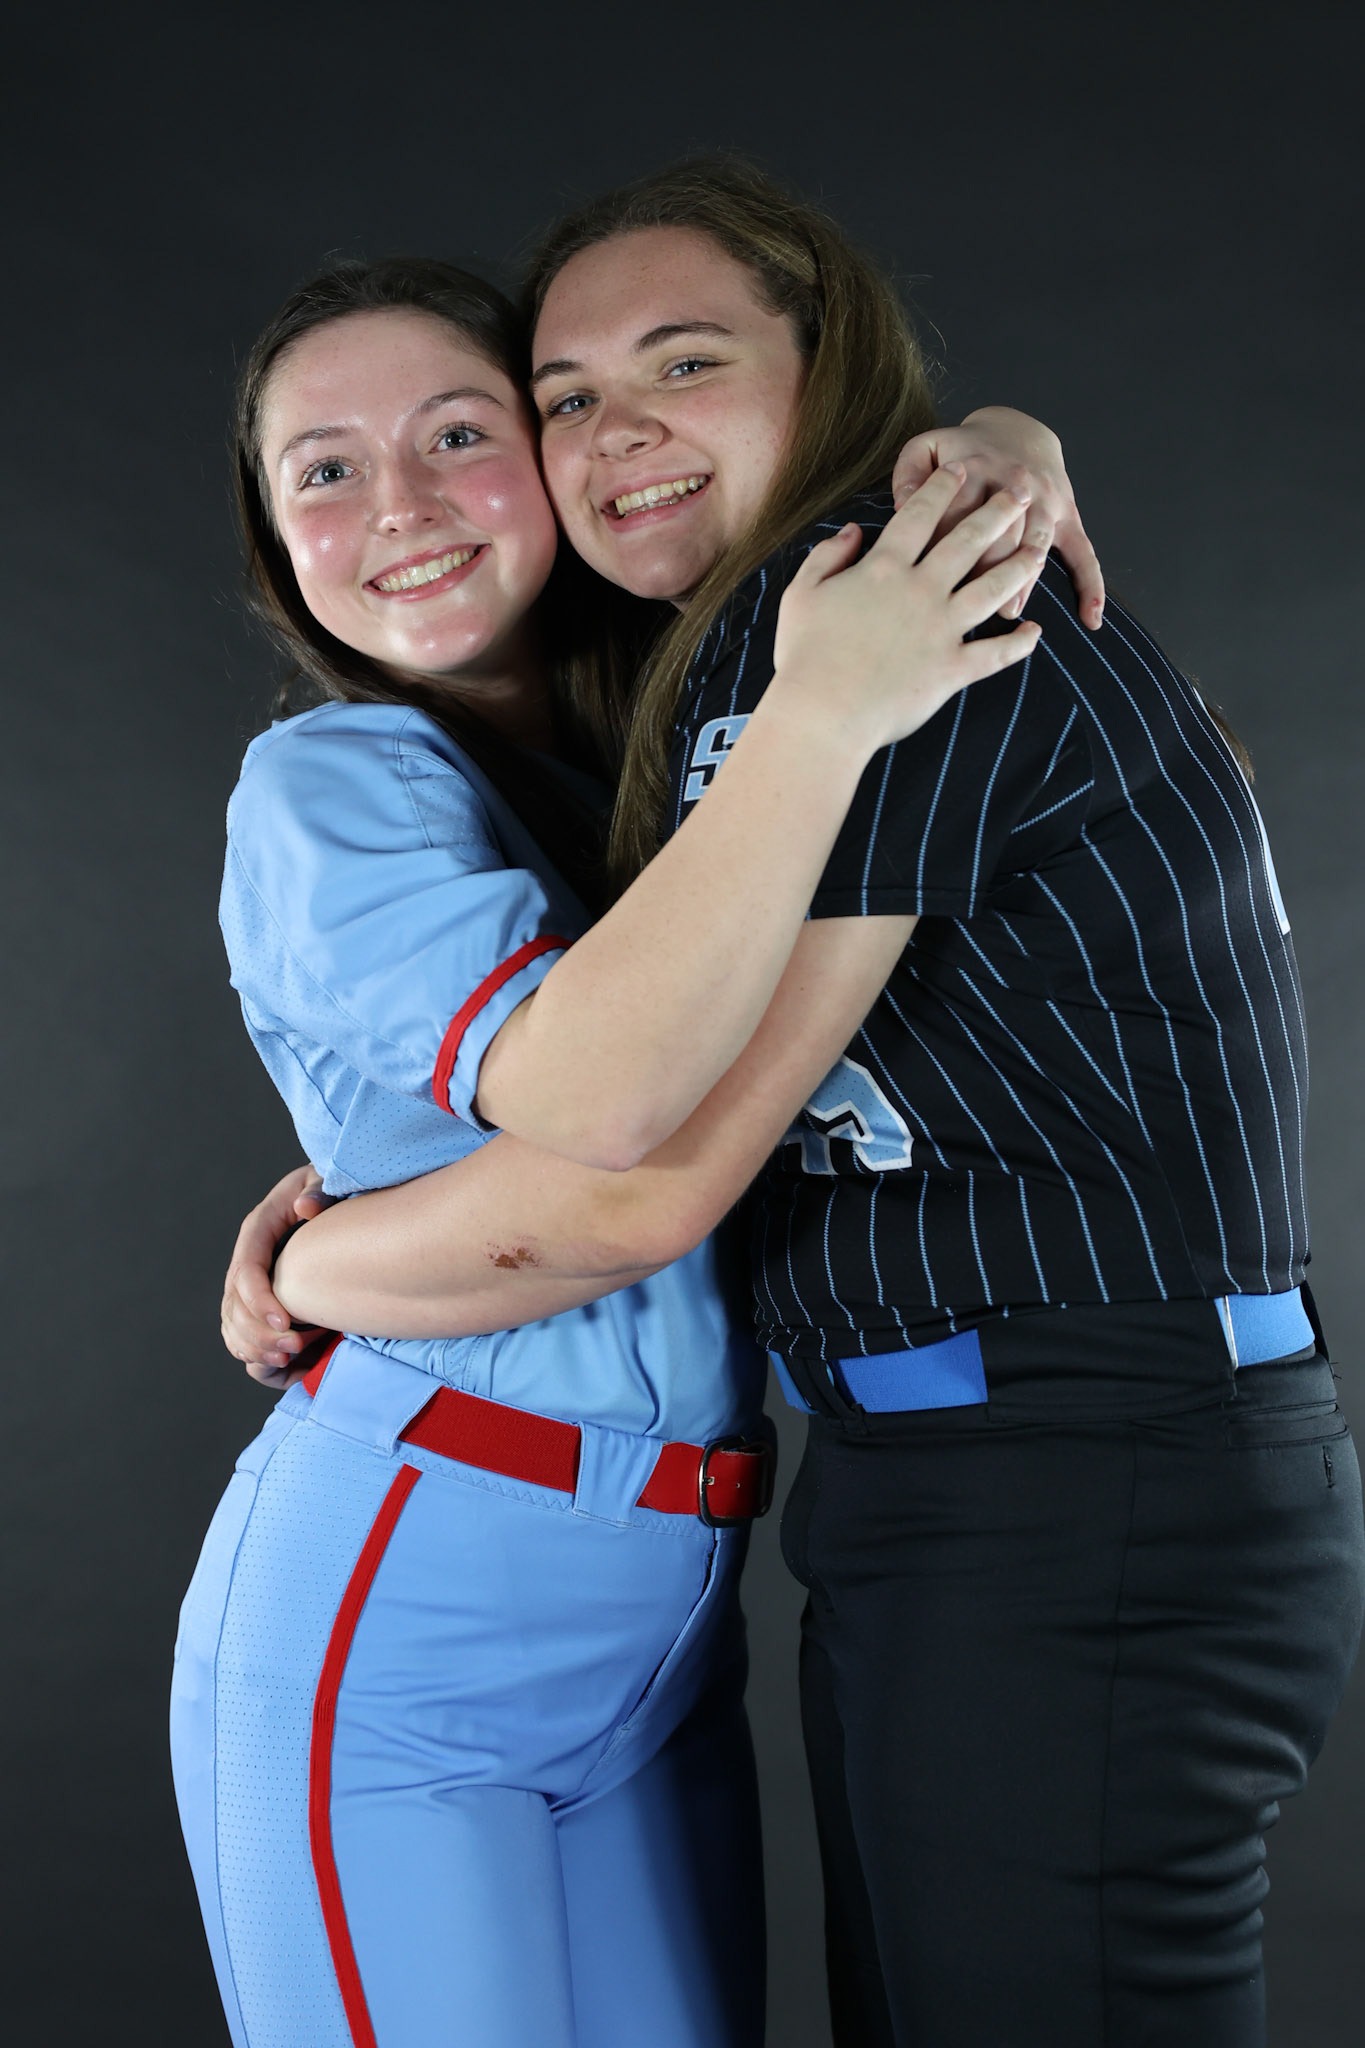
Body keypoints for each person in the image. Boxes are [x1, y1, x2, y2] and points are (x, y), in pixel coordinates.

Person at [229, 160, 1365, 2048]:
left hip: (1079, 1468)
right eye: (572, 395)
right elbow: (614, 1079)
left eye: (684, 363)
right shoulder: (751, 679)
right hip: (937, 1486)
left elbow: (641, 1169)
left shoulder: (861, 631)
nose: (619, 432)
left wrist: (311, 1271)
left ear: (828, 370)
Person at [176, 244, 1058, 2048]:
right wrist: (313, 1261)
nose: (397, 507)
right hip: (409, 1609)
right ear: (276, 536)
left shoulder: (653, 748)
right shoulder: (330, 780)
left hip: (665, 1627)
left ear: (558, 462)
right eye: (322, 468)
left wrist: (999, 445)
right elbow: (611, 1163)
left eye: (455, 434)